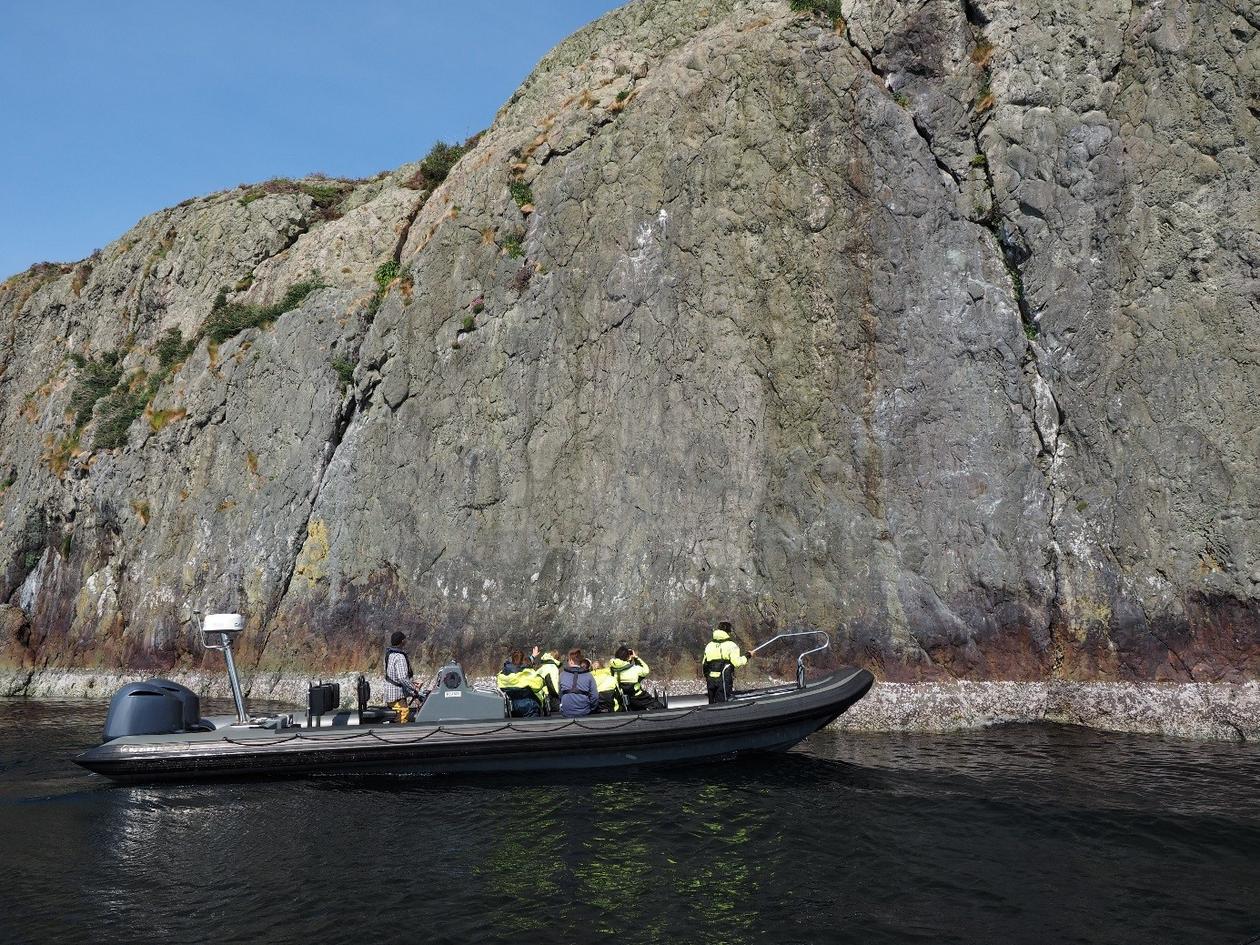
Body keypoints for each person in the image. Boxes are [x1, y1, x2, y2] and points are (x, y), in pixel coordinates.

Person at [702, 621, 750, 703]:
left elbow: (704, 664)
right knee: (723, 704)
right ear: (729, 631)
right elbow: (737, 663)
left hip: (710, 680)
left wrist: (708, 678)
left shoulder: (709, 645)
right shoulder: (731, 645)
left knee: (711, 703)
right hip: (723, 679)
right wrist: (747, 656)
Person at [383, 630, 422, 722]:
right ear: (401, 642)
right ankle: (398, 733)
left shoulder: (389, 654)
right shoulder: (400, 657)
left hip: (390, 692)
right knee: (403, 712)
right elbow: (402, 678)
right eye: (405, 640)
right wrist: (414, 688)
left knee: (400, 712)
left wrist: (411, 683)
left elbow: (394, 675)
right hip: (396, 694)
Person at [609, 644, 657, 711]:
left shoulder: (611, 669)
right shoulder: (635, 669)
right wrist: (636, 658)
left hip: (622, 698)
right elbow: (646, 670)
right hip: (638, 697)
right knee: (658, 706)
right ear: (628, 657)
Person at [558, 649, 599, 718]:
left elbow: (560, 695)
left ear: (571, 660)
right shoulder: (589, 675)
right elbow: (595, 696)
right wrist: (592, 709)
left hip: (566, 712)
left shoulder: (562, 675)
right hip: (584, 711)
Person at [534, 649, 562, 713]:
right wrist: (559, 698)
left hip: (540, 695)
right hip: (549, 697)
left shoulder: (543, 666)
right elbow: (554, 686)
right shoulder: (553, 667)